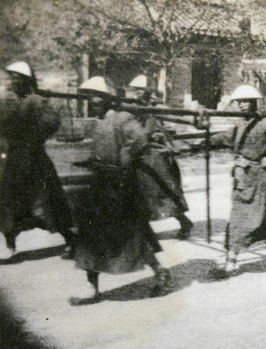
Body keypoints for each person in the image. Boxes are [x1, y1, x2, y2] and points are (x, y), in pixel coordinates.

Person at [70, 77, 170, 303]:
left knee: (132, 235)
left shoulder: (122, 118)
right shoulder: (99, 123)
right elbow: (104, 150)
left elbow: (140, 140)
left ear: (108, 99)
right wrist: (92, 162)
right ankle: (91, 287)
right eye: (89, 97)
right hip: (101, 185)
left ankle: (160, 271)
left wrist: (122, 163)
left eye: (96, 97)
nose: (92, 101)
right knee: (90, 235)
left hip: (121, 186)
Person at [210, 84, 266, 275]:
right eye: (239, 102)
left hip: (263, 179)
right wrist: (202, 133)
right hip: (243, 180)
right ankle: (230, 263)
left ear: (254, 103)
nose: (242, 105)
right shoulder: (239, 126)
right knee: (238, 218)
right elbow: (221, 138)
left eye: (246, 102)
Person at [0, 62, 75, 260]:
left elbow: (52, 123)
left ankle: (72, 241)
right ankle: (10, 245)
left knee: (47, 204)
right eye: (11, 77)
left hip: (35, 160)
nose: (13, 81)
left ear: (27, 81)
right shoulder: (8, 101)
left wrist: (33, 136)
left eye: (17, 77)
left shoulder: (36, 101)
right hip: (14, 160)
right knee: (9, 204)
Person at [128, 75, 193, 240]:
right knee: (142, 192)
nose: (136, 94)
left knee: (164, 191)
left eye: (139, 91)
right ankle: (144, 229)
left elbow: (172, 121)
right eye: (135, 91)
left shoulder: (157, 107)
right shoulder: (134, 108)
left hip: (157, 154)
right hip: (142, 152)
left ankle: (184, 222)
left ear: (147, 92)